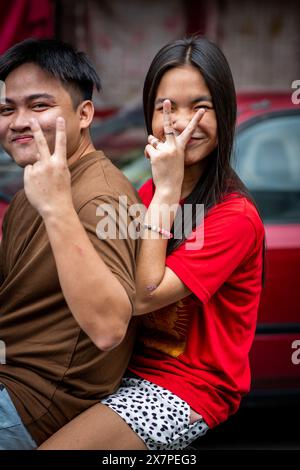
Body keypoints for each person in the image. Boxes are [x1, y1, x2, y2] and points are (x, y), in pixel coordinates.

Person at [40, 35, 265, 451]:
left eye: (201, 107)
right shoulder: (143, 193)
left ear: (225, 113)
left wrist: (165, 191)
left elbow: (145, 295)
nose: (181, 122)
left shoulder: (234, 217)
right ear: (149, 114)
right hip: (117, 369)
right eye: (167, 107)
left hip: (187, 388)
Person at [0, 38, 141, 449]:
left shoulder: (100, 197)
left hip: (37, 403)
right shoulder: (36, 183)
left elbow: (109, 327)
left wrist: (57, 207)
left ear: (85, 114)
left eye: (40, 106)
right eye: (8, 109)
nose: (19, 121)